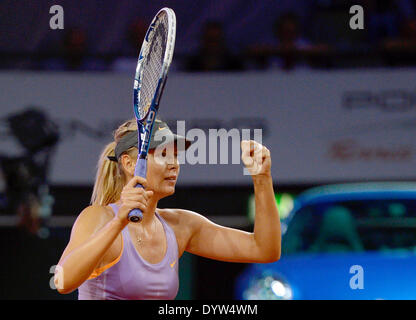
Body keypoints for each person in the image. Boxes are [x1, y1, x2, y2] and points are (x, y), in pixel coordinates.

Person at [54, 118, 281, 300]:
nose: (174, 163)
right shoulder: (99, 217)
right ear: (129, 164)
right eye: (163, 154)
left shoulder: (181, 226)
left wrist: (262, 179)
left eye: (175, 155)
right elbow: (62, 282)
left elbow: (264, 250)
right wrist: (118, 223)